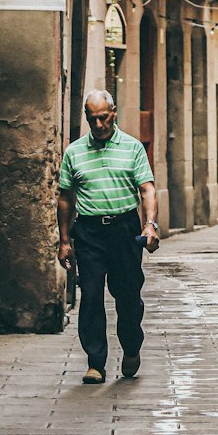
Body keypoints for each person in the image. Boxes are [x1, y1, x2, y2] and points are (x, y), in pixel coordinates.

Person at [57, 90, 159, 385]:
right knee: (90, 295)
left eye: (104, 117)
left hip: (124, 230)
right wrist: (65, 241)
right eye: (93, 119)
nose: (99, 124)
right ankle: (96, 362)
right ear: (87, 118)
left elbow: (147, 189)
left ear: (113, 113)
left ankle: (131, 346)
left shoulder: (132, 148)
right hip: (89, 231)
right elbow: (65, 198)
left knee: (127, 295)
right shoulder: (74, 152)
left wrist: (149, 224)